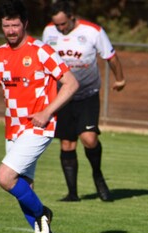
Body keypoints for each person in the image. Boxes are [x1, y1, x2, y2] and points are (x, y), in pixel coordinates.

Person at [0, 0, 78, 233]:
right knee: (23, 187)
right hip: (13, 129)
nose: (10, 31)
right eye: (6, 26)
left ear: (25, 24)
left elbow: (71, 84)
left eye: (15, 25)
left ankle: (43, 214)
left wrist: (47, 111)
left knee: (5, 177)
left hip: (38, 126)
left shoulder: (41, 51)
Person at [42, 0, 126, 202]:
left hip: (87, 94)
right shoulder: (48, 32)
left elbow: (111, 57)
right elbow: (44, 62)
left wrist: (120, 79)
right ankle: (72, 193)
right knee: (67, 143)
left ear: (72, 16)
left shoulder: (93, 31)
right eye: (57, 25)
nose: (60, 28)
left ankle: (98, 175)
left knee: (89, 139)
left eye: (63, 23)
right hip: (62, 97)